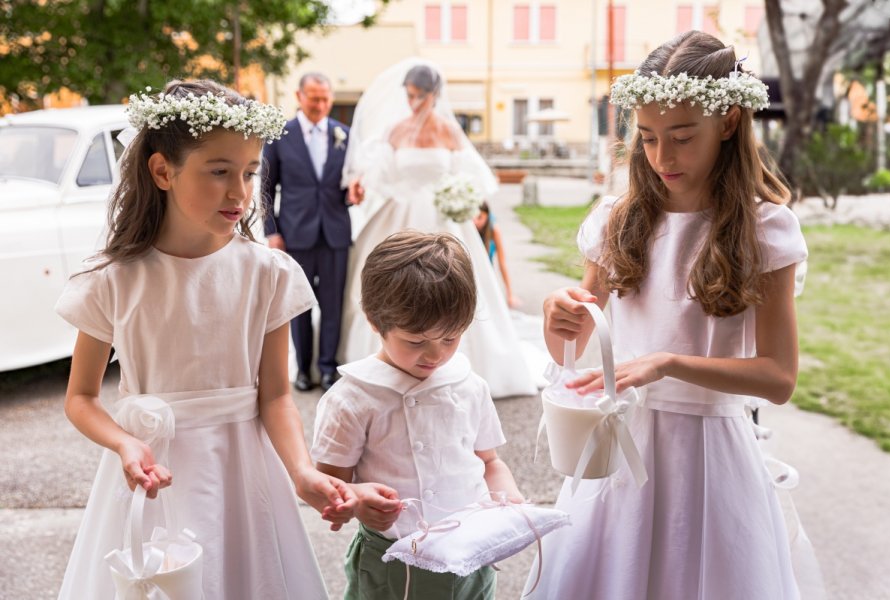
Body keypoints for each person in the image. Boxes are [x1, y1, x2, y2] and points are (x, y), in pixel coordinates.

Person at [524, 31, 815, 599]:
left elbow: (779, 379)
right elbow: (572, 347)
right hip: (620, 449)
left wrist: (667, 363)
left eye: (682, 138)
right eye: (649, 138)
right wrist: (558, 314)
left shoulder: (765, 230)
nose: (662, 157)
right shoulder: (619, 220)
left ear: (728, 122)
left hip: (713, 459)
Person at [54, 80, 355, 600]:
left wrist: (302, 471)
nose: (240, 192)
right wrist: (125, 442)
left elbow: (276, 395)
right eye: (219, 172)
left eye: (249, 173)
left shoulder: (267, 273)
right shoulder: (114, 279)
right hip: (150, 474)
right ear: (162, 170)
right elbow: (80, 398)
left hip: (243, 474)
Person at [312, 231, 525, 599]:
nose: (435, 354)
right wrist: (358, 499)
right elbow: (328, 484)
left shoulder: (468, 385)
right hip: (394, 561)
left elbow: (489, 461)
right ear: (374, 321)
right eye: (415, 341)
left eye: (450, 338)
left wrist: (508, 499)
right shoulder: (353, 398)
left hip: (472, 553)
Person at [339, 59, 537, 398]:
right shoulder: (396, 130)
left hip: (445, 215)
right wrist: (361, 181)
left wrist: (464, 199)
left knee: (456, 278)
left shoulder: (448, 131)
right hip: (400, 210)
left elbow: (473, 177)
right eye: (410, 96)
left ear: (435, 96)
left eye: (420, 97)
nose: (414, 103)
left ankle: (461, 361)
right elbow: (380, 175)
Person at [262, 72, 359, 392]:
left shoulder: (344, 135)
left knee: (332, 305)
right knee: (299, 306)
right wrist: (271, 232)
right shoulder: (279, 135)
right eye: (314, 98)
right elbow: (265, 188)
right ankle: (303, 370)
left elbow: (349, 184)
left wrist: (356, 193)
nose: (320, 104)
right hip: (295, 235)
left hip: (335, 234)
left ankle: (328, 368)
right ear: (299, 97)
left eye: (325, 98)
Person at [473, 201, 521, 308]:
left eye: (480, 217)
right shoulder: (469, 228)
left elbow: (502, 262)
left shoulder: (494, 230)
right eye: (473, 217)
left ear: (487, 215)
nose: (475, 221)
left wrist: (510, 294)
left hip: (486, 270)